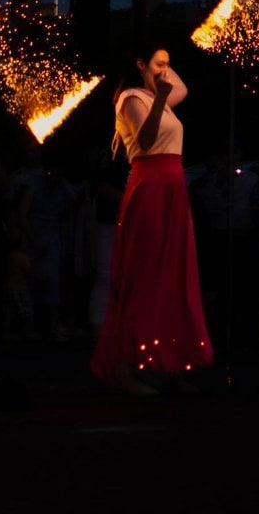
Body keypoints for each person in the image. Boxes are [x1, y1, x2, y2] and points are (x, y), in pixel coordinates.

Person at [91, 42, 214, 395]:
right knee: (144, 277)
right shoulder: (132, 99)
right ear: (140, 63)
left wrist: (161, 75)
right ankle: (122, 369)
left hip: (173, 190)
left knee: (173, 276)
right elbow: (146, 142)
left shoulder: (156, 95)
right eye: (159, 63)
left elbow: (183, 88)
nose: (166, 70)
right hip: (150, 189)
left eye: (169, 64)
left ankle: (170, 365)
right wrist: (157, 93)